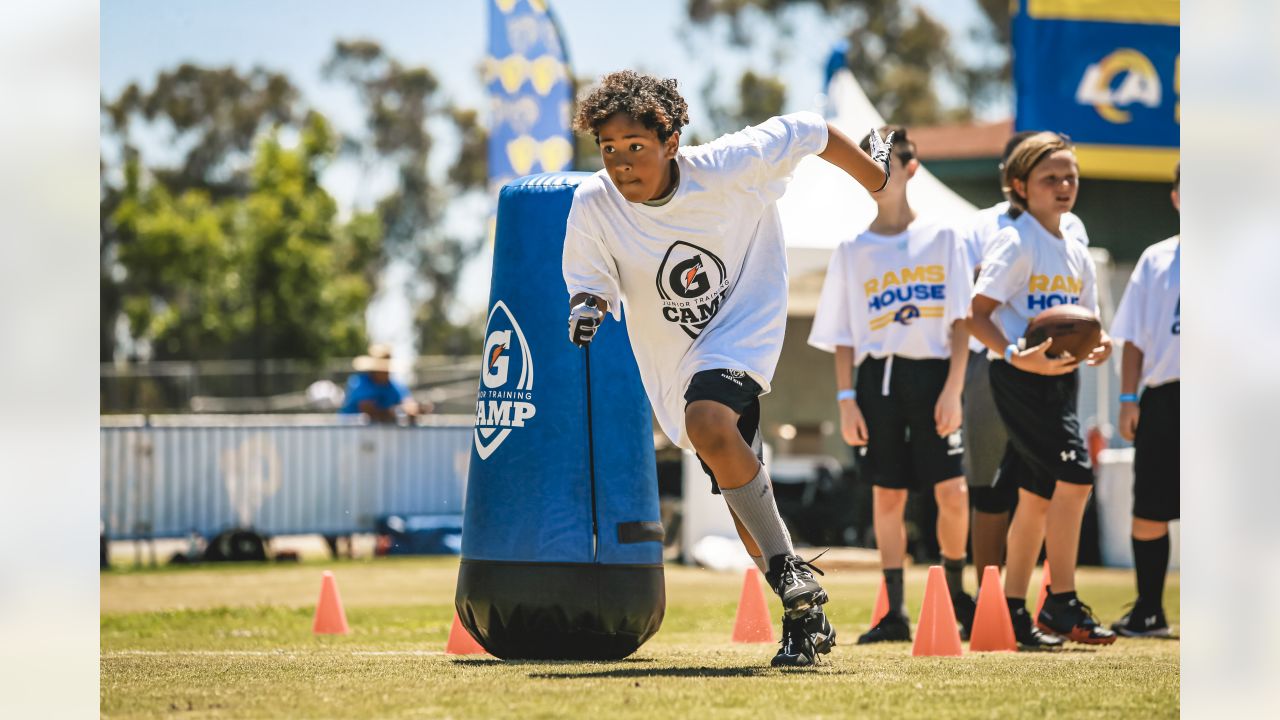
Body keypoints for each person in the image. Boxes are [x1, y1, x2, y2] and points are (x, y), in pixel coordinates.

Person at [562, 70, 893, 666]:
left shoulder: (730, 164)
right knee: (735, 480)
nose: (621, 163)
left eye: (636, 147)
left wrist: (874, 175)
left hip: (743, 327)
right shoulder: (593, 203)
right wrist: (586, 308)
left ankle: (792, 571)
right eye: (608, 149)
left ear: (670, 142)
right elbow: (589, 280)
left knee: (709, 423)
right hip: (671, 359)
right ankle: (802, 611)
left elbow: (810, 128)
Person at [807, 127, 976, 644]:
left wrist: (953, 389)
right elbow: (840, 334)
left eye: (891, 159)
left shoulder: (945, 237)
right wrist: (845, 400)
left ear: (912, 166)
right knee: (887, 496)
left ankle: (953, 594)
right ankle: (896, 612)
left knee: (951, 491)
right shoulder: (853, 249)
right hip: (876, 379)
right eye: (870, 161)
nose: (881, 170)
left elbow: (963, 320)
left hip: (933, 373)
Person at [968, 131, 1116, 646]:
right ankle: (1060, 601)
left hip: (1063, 378)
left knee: (1035, 496)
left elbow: (1089, 322)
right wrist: (1014, 354)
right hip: (1019, 377)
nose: (1064, 185)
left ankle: (1011, 611)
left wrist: (1099, 346)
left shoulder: (1075, 241)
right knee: (1075, 477)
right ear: (1019, 186)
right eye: (1050, 177)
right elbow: (976, 315)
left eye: (1070, 176)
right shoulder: (1015, 240)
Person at [1108, 164, 1180, 637]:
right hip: (1166, 395)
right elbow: (1132, 337)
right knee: (1149, 507)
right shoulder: (1157, 259)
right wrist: (1129, 397)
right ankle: (1150, 610)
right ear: (1177, 197)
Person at [339, 344, 421, 422]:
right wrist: (399, 411)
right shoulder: (359, 383)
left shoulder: (395, 386)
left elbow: (409, 404)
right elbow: (369, 410)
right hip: (350, 434)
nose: (385, 372)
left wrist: (413, 409)